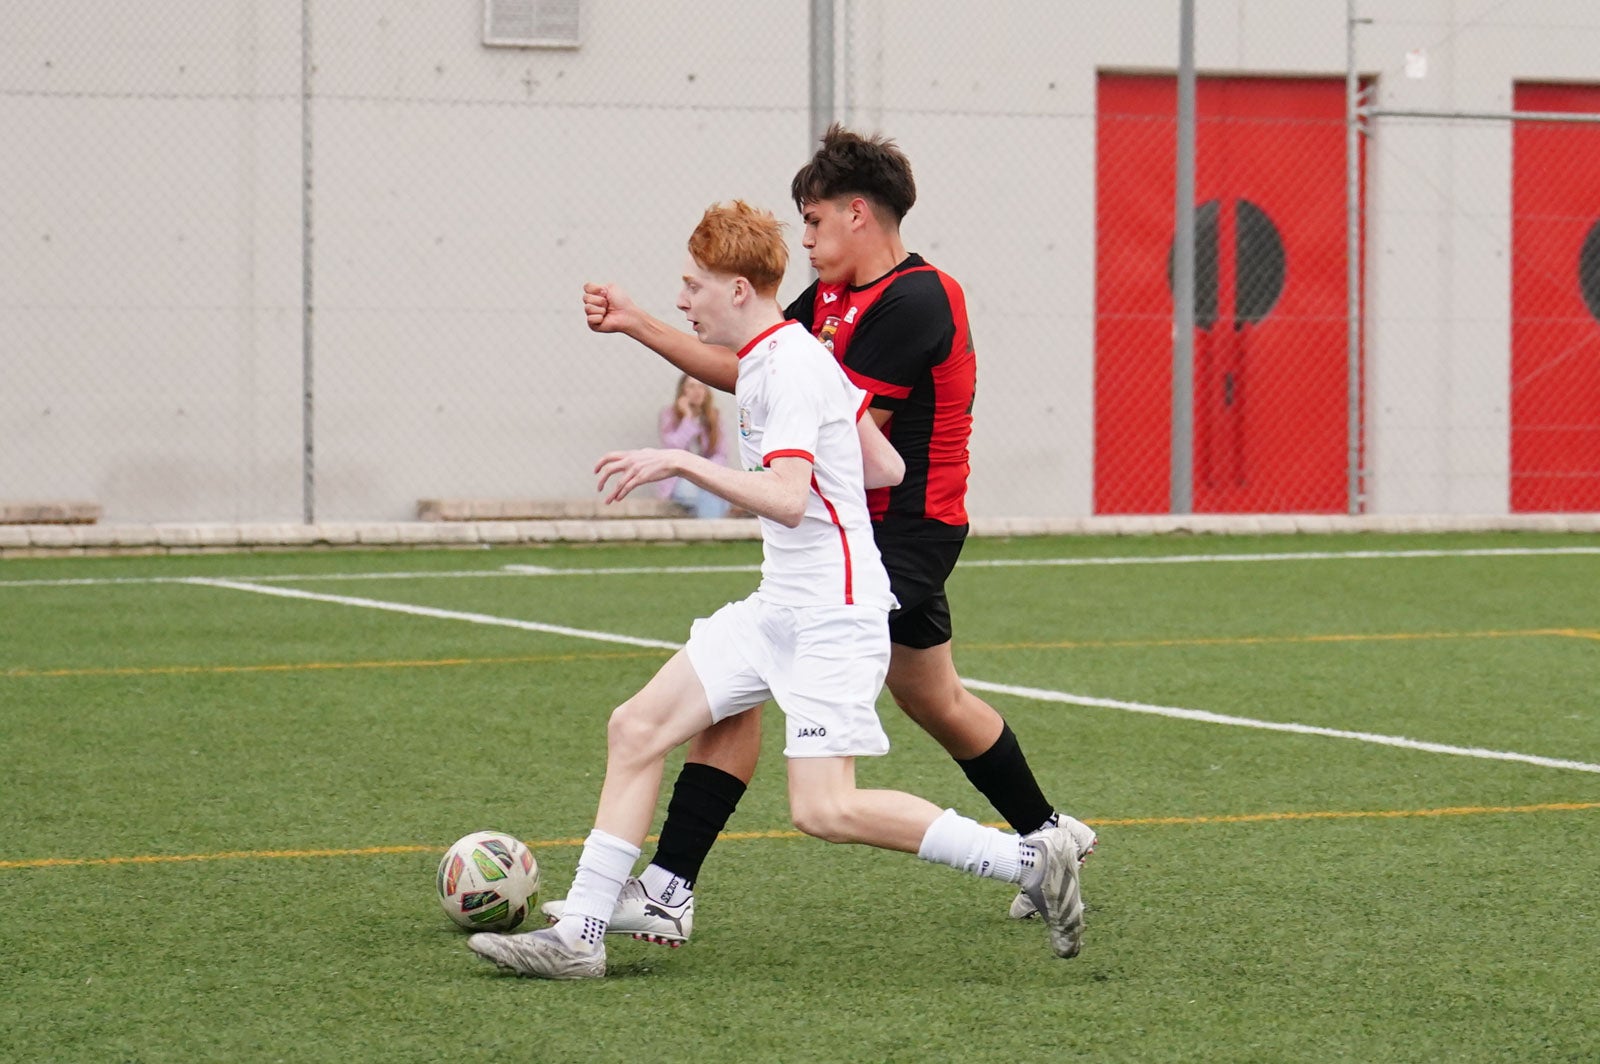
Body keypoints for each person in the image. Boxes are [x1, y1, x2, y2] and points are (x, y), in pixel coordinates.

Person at [467, 201, 1085, 980]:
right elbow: (885, 467)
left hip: (833, 616)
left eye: (693, 286)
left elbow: (791, 497)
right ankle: (580, 936)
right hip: (781, 605)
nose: (685, 301)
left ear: (736, 289)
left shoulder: (790, 365)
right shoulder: (788, 356)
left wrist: (683, 463)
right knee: (636, 727)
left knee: (824, 810)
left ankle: (1032, 859)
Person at [657, 374, 731, 518]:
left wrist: (706, 470)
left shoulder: (714, 416)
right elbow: (673, 448)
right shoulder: (669, 415)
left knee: (713, 492)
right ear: (683, 391)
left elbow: (721, 453)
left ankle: (708, 532)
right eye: (691, 386)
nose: (697, 391)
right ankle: (712, 533)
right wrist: (688, 418)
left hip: (707, 474)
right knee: (709, 494)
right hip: (680, 476)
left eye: (701, 386)